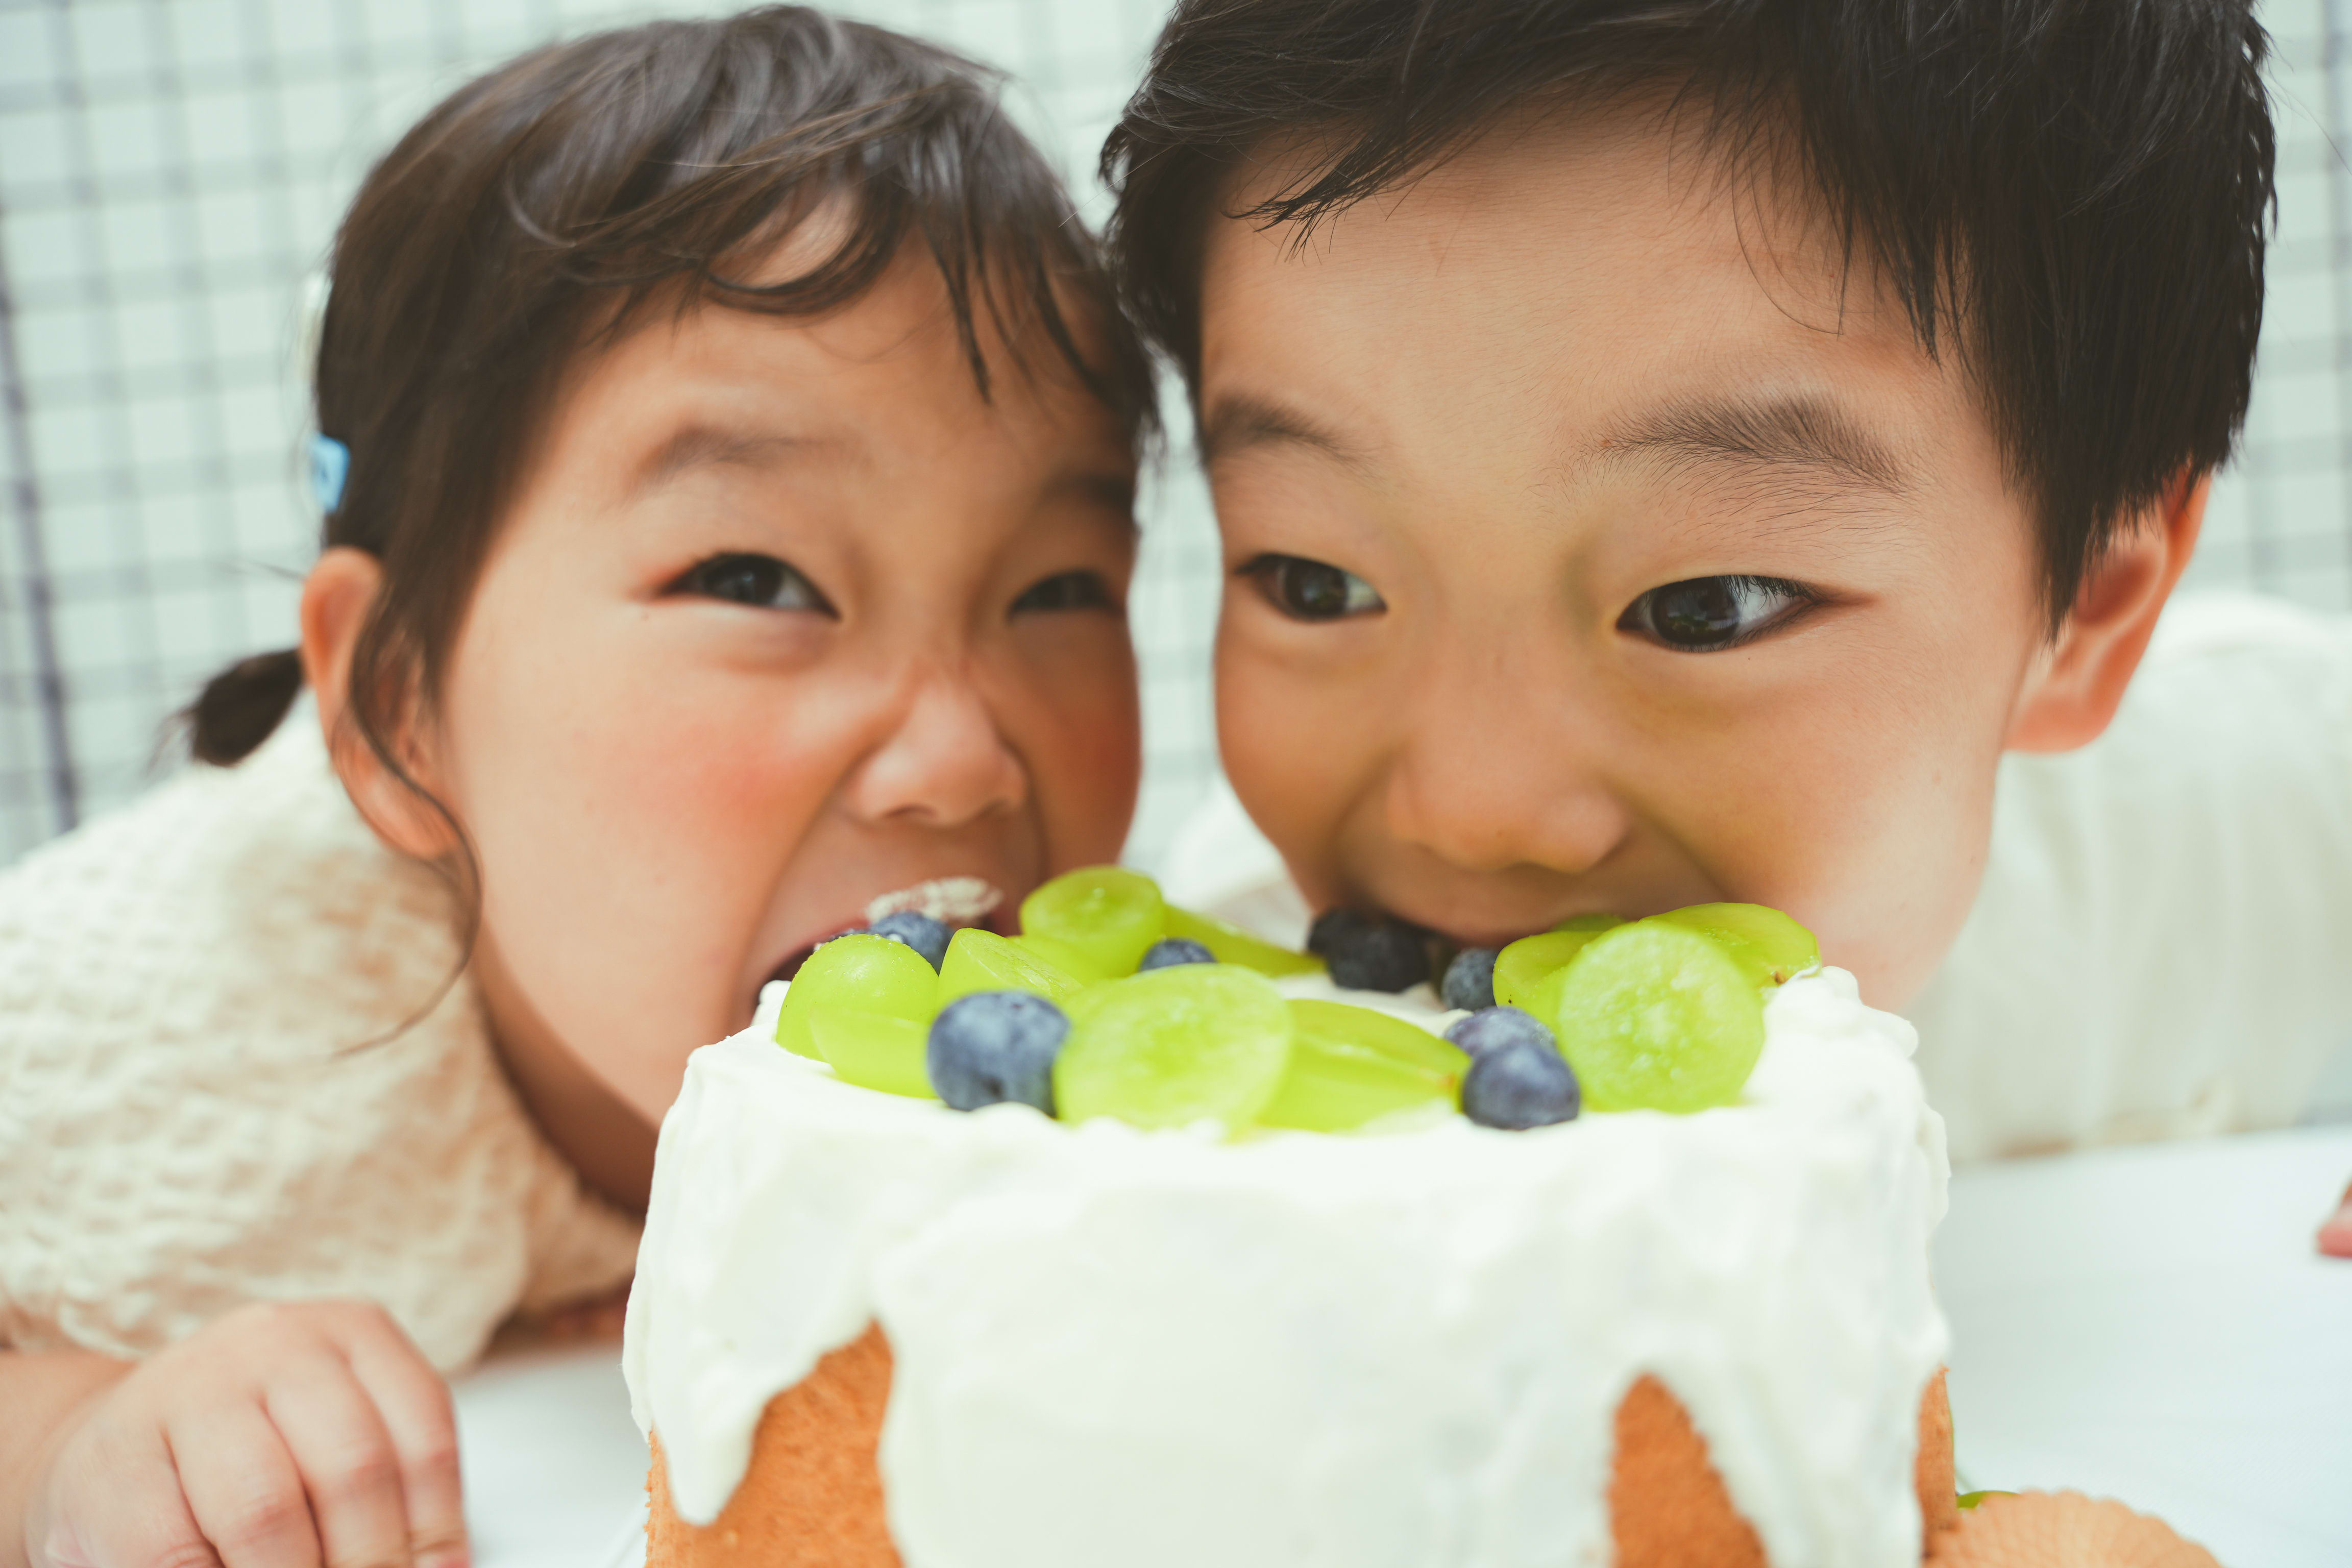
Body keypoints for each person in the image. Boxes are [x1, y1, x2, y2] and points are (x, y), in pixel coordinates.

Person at [0, 9, 1153, 1565]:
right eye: (757, 575)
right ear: (402, 706)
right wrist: (72, 1435)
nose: (962, 758)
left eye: (1059, 590)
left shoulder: (1126, 1006)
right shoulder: (167, 1021)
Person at [1104, 0, 2352, 1234]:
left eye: (1705, 609)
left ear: (2079, 615)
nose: (1476, 812)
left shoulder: (2247, 821)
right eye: (1317, 584)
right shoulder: (1254, 1007)